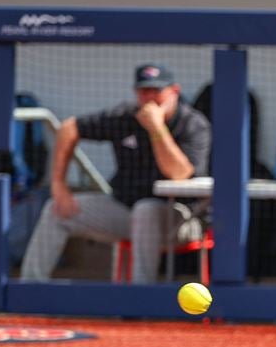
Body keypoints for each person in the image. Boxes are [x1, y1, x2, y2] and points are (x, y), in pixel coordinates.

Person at [21, 64, 211, 284]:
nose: (149, 98)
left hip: (180, 220)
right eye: (143, 91)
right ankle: (29, 290)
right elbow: (68, 129)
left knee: (145, 210)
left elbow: (179, 173)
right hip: (124, 210)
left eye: (156, 91)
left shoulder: (193, 124)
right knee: (55, 211)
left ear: (174, 91)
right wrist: (58, 184)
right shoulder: (126, 116)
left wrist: (157, 129)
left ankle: (140, 300)